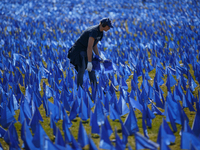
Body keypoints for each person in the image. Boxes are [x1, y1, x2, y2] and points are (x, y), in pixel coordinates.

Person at [67, 18, 113, 89]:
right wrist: (89, 62)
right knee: (82, 69)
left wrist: (98, 56)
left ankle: (95, 87)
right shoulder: (93, 31)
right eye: (108, 26)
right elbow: (89, 47)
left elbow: (94, 45)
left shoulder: (100, 33)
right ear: (103, 25)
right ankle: (80, 89)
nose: (109, 28)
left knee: (92, 70)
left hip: (86, 50)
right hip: (79, 51)